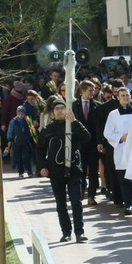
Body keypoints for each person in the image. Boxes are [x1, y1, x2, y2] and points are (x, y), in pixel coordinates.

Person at [36, 98, 91, 243]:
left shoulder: (74, 125)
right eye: (57, 109)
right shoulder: (48, 129)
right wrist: (42, 166)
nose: (60, 111)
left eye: (62, 108)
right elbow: (40, 149)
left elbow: (87, 138)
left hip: (73, 168)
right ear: (53, 112)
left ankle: (80, 232)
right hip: (55, 170)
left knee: (75, 201)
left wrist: (75, 122)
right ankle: (66, 232)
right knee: (61, 203)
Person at [103, 87, 132, 214]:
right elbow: (107, 132)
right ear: (118, 97)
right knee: (123, 178)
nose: (125, 97)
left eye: (127, 95)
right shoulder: (113, 114)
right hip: (121, 148)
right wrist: (121, 137)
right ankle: (129, 204)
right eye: (122, 95)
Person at [7, 106, 34, 177]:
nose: (21, 115)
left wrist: (31, 137)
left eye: (22, 114)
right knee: (18, 158)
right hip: (16, 142)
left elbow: (31, 130)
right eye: (19, 114)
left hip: (25, 142)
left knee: (26, 157)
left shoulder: (27, 120)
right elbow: (10, 130)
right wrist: (10, 139)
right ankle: (20, 172)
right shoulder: (13, 121)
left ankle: (29, 171)